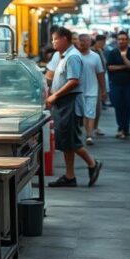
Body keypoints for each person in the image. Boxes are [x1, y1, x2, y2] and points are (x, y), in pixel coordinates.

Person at [45, 26, 103, 187]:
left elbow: (73, 81)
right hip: (63, 104)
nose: (53, 42)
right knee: (65, 141)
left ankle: (92, 163)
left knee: (72, 140)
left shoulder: (72, 57)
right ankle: (70, 176)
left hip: (70, 102)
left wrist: (55, 95)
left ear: (64, 39)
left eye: (55, 39)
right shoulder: (63, 56)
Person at [76, 34, 107, 145]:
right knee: (85, 114)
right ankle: (87, 133)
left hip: (92, 90)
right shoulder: (75, 56)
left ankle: (89, 135)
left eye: (88, 41)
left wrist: (103, 89)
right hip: (78, 90)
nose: (86, 43)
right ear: (79, 42)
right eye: (83, 41)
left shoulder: (95, 56)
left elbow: (100, 73)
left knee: (90, 113)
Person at [106, 31, 130, 138]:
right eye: (120, 39)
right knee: (118, 106)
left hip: (129, 84)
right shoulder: (113, 52)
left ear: (127, 41)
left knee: (127, 106)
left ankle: (126, 128)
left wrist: (124, 58)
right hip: (116, 84)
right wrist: (124, 67)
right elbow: (110, 67)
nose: (121, 41)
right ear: (117, 41)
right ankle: (121, 127)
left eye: (124, 39)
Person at [93, 33, 111, 121]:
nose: (104, 43)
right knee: (96, 106)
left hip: (101, 78)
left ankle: (95, 127)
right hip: (94, 80)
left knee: (98, 105)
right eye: (103, 42)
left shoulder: (100, 50)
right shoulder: (93, 51)